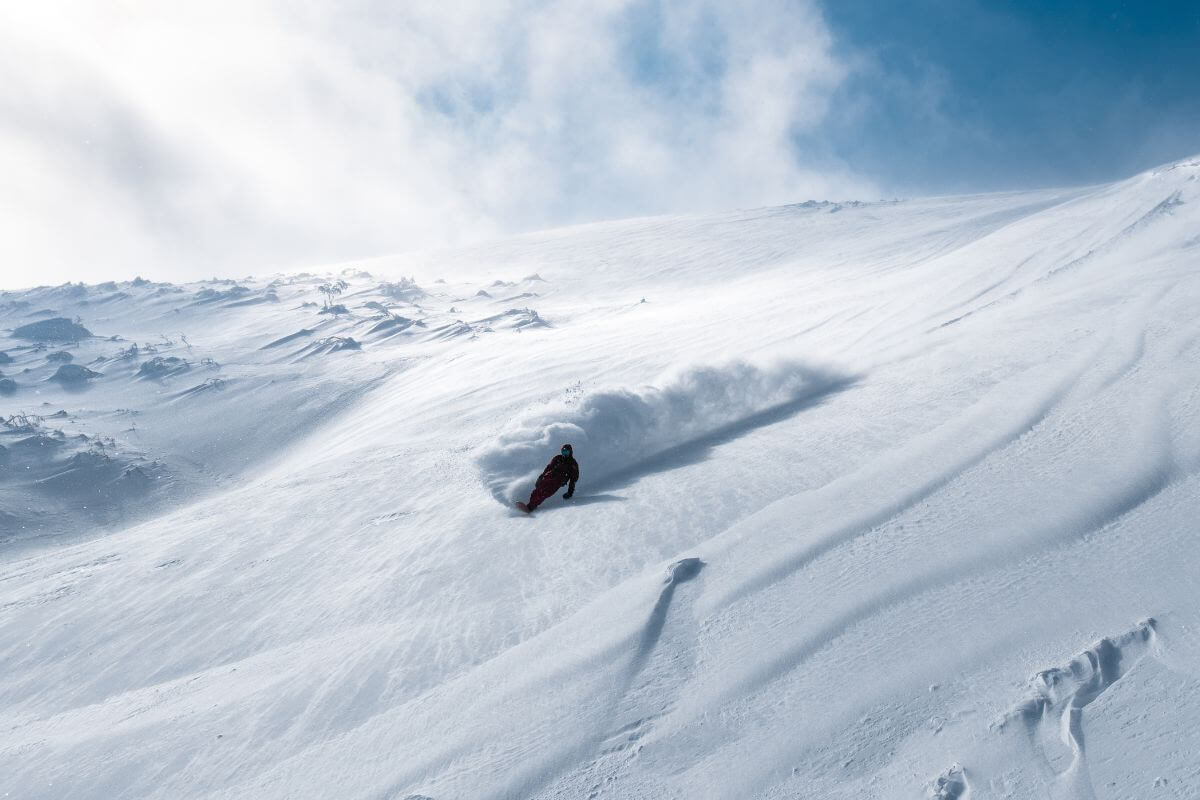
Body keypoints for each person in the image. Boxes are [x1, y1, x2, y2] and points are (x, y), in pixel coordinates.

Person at [518, 443, 579, 512]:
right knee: (538, 490)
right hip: (549, 476)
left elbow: (573, 479)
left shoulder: (572, 464)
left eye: (566, 452)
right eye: (563, 451)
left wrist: (570, 493)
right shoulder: (558, 458)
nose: (564, 454)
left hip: (558, 481)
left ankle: (531, 506)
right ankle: (530, 504)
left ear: (570, 452)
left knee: (545, 492)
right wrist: (541, 477)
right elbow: (549, 467)